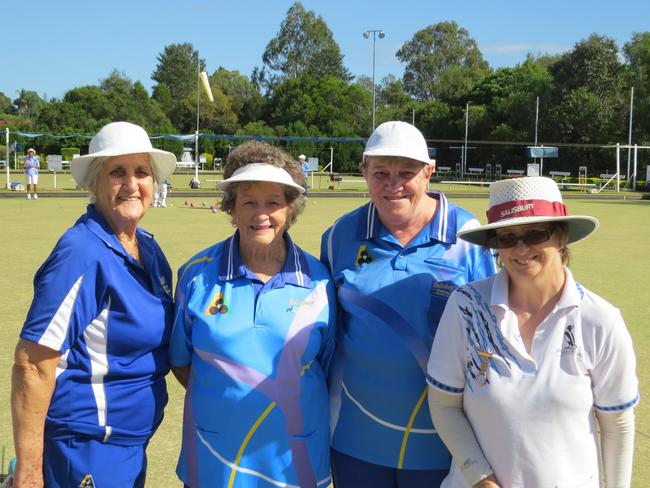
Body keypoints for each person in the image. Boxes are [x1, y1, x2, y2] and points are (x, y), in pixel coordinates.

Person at [426, 176, 638, 488]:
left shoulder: (600, 319)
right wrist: (479, 477)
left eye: (535, 233)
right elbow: (444, 405)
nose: (521, 248)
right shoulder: (466, 306)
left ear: (561, 235)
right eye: (507, 237)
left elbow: (617, 423)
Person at [321, 121, 496, 487]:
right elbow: (327, 333)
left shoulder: (468, 237)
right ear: (364, 171)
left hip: (444, 442)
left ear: (429, 172)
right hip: (355, 438)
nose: (392, 184)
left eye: (406, 173)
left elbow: (491, 339)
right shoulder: (339, 236)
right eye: (380, 173)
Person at [11, 121, 177, 488]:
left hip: (127, 447)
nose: (132, 184)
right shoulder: (82, 252)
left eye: (142, 172)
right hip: (86, 449)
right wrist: (29, 471)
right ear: (94, 183)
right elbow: (33, 365)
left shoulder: (147, 246)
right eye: (117, 172)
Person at [170, 141, 336, 488]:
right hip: (214, 457)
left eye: (274, 202)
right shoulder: (196, 274)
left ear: (291, 210)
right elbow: (182, 361)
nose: (261, 214)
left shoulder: (320, 279)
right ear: (231, 209)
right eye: (248, 202)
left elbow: (326, 362)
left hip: (294, 459)